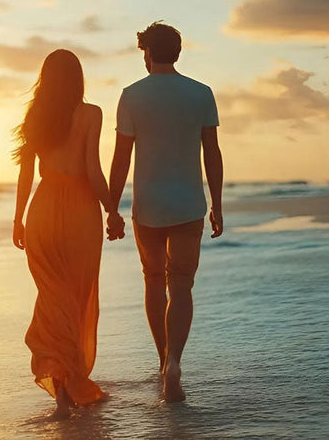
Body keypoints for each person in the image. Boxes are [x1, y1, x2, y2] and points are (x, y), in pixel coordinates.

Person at [107, 21, 224, 403]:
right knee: (182, 283)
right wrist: (217, 204)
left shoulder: (132, 95)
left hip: (149, 207)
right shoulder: (201, 93)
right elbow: (212, 153)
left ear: (147, 52)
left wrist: (112, 208)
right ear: (177, 51)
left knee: (154, 280)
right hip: (189, 204)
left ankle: (162, 361)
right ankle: (174, 361)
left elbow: (121, 158)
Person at [12, 49, 122, 419]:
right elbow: (92, 169)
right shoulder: (91, 114)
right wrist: (111, 209)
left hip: (42, 212)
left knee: (52, 300)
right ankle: (70, 383)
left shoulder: (36, 114)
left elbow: (26, 173)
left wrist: (18, 219)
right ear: (78, 78)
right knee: (74, 300)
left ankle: (63, 388)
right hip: (79, 214)